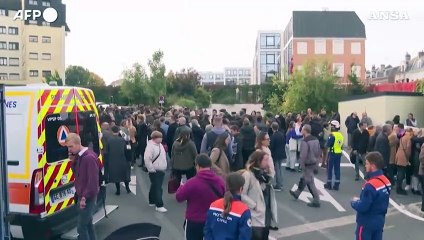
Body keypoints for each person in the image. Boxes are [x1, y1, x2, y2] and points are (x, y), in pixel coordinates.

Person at [176, 154, 225, 240]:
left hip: (194, 221)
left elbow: (179, 197)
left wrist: (181, 186)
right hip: (214, 220)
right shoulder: (220, 181)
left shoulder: (191, 183)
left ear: (197, 166)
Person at [66, 133, 100, 240]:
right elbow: (78, 175)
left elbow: (93, 181)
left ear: (78, 144)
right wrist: (73, 162)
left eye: (71, 146)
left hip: (87, 197)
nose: (69, 149)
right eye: (68, 147)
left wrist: (84, 198)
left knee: (81, 228)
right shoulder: (80, 156)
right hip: (83, 195)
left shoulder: (88, 158)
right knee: (88, 225)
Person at [351, 152, 391, 240]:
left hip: (366, 223)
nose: (365, 165)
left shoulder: (370, 185)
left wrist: (354, 202)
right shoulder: (386, 181)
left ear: (373, 166)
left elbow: (363, 207)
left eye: (367, 163)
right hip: (379, 221)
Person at [241, 150, 278, 240]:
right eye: (265, 160)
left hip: (266, 213)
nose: (268, 162)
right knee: (256, 236)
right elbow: (242, 194)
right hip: (254, 214)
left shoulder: (265, 176)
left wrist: (270, 168)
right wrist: (254, 205)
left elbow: (272, 176)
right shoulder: (248, 175)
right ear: (258, 161)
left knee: (265, 235)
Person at [204, 173, 252, 240]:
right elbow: (245, 236)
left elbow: (207, 230)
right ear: (241, 189)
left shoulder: (214, 205)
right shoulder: (243, 210)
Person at [290, 124, 321, 208]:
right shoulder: (316, 140)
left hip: (307, 163)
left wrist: (302, 165)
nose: (301, 131)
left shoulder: (305, 141)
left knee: (310, 182)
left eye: (302, 130)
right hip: (314, 162)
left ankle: (316, 200)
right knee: (304, 178)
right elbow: (319, 153)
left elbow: (303, 155)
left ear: (305, 131)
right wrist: (317, 164)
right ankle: (297, 193)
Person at [144, 131, 168, 213]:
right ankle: (159, 205)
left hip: (160, 169)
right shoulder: (150, 147)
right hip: (155, 170)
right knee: (158, 188)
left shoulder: (160, 145)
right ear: (154, 138)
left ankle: (152, 201)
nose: (161, 138)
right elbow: (147, 159)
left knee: (154, 186)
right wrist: (151, 169)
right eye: (159, 137)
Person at [107, 126, 131, 195]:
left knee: (116, 176)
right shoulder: (123, 139)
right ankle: (127, 188)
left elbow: (108, 150)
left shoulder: (109, 140)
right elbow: (127, 149)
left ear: (112, 131)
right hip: (123, 159)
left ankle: (118, 191)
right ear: (118, 131)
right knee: (125, 174)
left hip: (113, 160)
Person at [324, 120, 344, 191]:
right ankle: (336, 185)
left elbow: (327, 145)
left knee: (329, 169)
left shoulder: (332, 135)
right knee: (337, 169)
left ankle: (329, 184)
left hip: (332, 153)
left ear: (333, 127)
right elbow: (342, 145)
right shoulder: (341, 135)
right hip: (339, 153)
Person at [395, 128, 413, 195]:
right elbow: (408, 149)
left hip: (398, 154)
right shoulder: (408, 138)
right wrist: (408, 159)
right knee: (401, 173)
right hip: (403, 156)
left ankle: (398, 187)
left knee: (399, 172)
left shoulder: (403, 137)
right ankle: (399, 188)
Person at [270, 122, 286, 191]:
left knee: (277, 170)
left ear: (272, 127)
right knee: (280, 169)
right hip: (282, 153)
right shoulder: (281, 135)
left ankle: (278, 185)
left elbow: (272, 146)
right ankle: (281, 183)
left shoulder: (273, 136)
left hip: (276, 154)